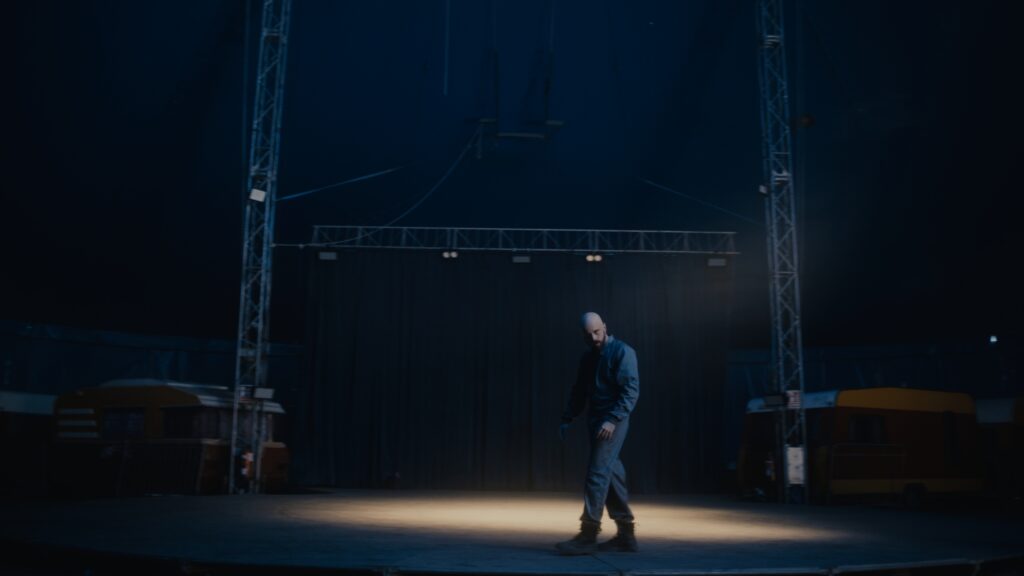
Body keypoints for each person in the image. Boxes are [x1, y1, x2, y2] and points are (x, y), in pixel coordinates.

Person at [555, 312, 640, 555]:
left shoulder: (623, 352)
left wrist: (612, 420)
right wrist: (568, 417)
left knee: (597, 473)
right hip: (595, 421)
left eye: (597, 332)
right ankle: (626, 535)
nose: (593, 338)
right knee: (611, 473)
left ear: (605, 326)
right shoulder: (588, 358)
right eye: (588, 335)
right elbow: (580, 390)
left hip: (613, 420)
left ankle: (588, 534)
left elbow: (631, 391)